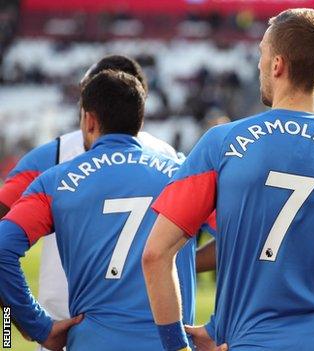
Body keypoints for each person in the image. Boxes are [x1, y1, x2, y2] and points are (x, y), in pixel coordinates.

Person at [142, 8, 314, 351]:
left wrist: (178, 347)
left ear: (277, 64)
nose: (259, 65)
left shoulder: (222, 145)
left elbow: (155, 254)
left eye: (262, 54)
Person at [0, 54, 215, 351]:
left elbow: (2, 246)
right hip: (165, 340)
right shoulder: (178, 167)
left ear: (88, 115)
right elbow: (246, 239)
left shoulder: (51, 167)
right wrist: (218, 326)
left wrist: (23, 322)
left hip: (73, 332)